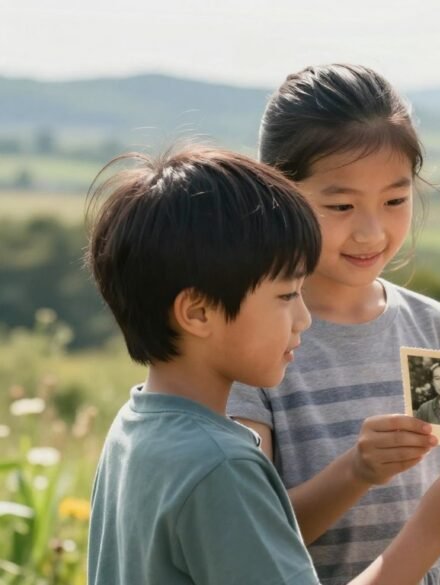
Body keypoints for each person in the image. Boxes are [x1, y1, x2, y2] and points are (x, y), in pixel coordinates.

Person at [228, 64, 440, 585]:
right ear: (279, 193)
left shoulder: (434, 328)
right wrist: (357, 472)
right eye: (342, 205)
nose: (372, 232)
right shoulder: (251, 340)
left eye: (395, 200)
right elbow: (251, 529)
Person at [85, 146, 322, 584]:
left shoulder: (133, 428)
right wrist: (426, 534)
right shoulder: (220, 466)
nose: (304, 318)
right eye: (287, 295)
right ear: (197, 312)